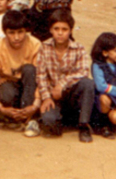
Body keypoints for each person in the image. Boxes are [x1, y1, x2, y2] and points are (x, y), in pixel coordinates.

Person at [37, 10, 95, 143]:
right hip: (53, 97)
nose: (60, 32)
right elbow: (41, 75)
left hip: (72, 94)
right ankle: (58, 120)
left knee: (88, 83)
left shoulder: (78, 48)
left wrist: (62, 84)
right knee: (49, 122)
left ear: (70, 31)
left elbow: (83, 71)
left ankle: (83, 125)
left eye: (64, 29)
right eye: (56, 28)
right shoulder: (44, 47)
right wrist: (46, 97)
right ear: (51, 30)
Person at [0, 11, 41, 137]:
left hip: (30, 86)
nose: (17, 37)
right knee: (6, 92)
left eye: (20, 32)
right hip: (11, 84)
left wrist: (35, 105)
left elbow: (41, 78)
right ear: (5, 33)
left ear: (26, 31)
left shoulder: (35, 44)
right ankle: (14, 114)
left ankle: (29, 116)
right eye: (12, 33)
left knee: (29, 69)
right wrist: (0, 107)